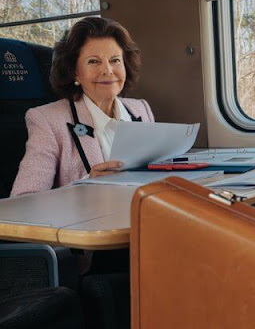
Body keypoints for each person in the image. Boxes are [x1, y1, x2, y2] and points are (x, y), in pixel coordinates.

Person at [11, 17, 154, 196]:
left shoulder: (140, 110)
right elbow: (23, 200)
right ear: (75, 72)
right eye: (94, 61)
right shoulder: (47, 120)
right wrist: (87, 185)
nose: (108, 70)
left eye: (115, 60)